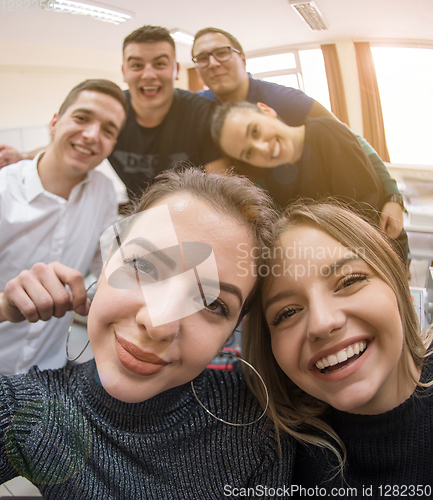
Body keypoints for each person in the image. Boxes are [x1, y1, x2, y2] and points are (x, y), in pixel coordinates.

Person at [0, 167, 293, 499]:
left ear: (232, 331)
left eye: (211, 303)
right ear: (108, 259)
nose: (157, 325)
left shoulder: (259, 425)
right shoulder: (34, 412)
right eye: (143, 266)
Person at [243, 200, 433, 493]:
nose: (322, 323)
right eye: (288, 312)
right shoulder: (268, 455)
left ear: (397, 284)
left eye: (349, 281)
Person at [191, 27, 405, 240]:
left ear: (242, 59)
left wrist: (393, 195)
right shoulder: (197, 108)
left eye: (222, 52)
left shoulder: (286, 100)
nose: (213, 63)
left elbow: (350, 139)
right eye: (202, 57)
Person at [0, 26, 227, 201]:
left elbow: (220, 185)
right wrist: (23, 156)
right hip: (138, 215)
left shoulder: (200, 113)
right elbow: (74, 141)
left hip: (190, 214)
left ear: (176, 70)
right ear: (124, 72)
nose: (148, 75)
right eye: (137, 65)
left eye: (159, 64)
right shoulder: (113, 113)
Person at [0, 79, 127, 375]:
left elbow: (109, 266)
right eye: (81, 118)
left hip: (49, 371)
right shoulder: (5, 190)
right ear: (55, 123)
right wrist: (6, 305)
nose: (92, 135)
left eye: (108, 130)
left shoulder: (104, 191)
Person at [211, 100, 409, 265]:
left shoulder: (326, 133)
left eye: (255, 131)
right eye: (249, 153)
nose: (261, 148)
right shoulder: (274, 176)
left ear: (266, 110)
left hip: (381, 253)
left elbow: (362, 219)